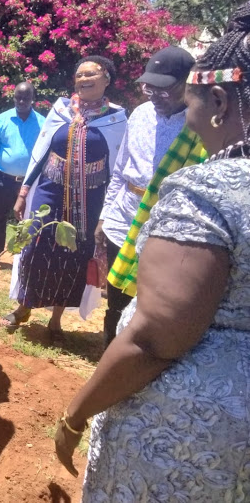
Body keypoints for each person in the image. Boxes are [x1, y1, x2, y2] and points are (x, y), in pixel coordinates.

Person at [54, 2, 250, 501]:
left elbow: (154, 340)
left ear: (221, 102)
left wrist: (75, 415)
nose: (189, 119)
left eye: (193, 102)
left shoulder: (204, 192)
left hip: (197, 438)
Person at [5, 56, 127, 342]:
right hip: (49, 191)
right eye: (79, 75)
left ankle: (56, 320)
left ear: (107, 79)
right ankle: (23, 307)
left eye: (91, 74)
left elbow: (117, 168)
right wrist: (24, 193)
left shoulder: (117, 120)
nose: (84, 79)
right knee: (35, 248)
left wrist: (105, 214)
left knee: (72, 256)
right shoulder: (61, 110)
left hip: (89, 200)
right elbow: (41, 151)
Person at [95, 46, 195, 346]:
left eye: (164, 90)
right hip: (123, 220)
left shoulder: (197, 126)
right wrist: (105, 216)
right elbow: (120, 168)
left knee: (151, 304)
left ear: (187, 84)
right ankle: (108, 360)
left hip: (166, 228)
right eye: (150, 88)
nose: (155, 95)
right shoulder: (140, 114)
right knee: (115, 302)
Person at [0, 82, 45, 266]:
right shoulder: (2, 119)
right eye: (19, 97)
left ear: (33, 99)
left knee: (25, 220)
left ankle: (21, 257)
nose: (22, 100)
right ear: (14, 97)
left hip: (29, 182)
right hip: (2, 180)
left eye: (26, 97)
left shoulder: (42, 123)